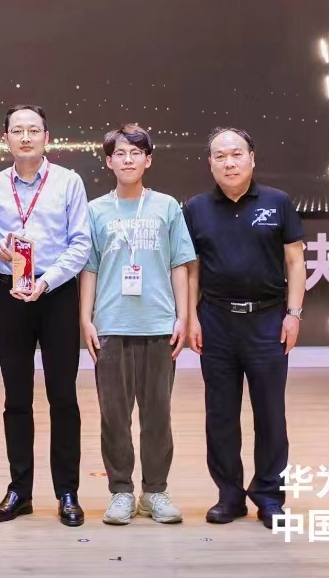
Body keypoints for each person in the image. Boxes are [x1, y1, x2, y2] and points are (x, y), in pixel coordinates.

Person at [0, 104, 92, 527]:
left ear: (47, 137)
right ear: (5, 137)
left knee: (63, 396)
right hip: (10, 294)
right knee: (16, 398)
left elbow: (81, 244)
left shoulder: (68, 182)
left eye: (33, 130)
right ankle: (19, 490)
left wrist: (48, 281)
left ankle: (67, 492)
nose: (25, 137)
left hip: (56, 294)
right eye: (17, 130)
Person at [184, 127, 306, 529]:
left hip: (267, 320)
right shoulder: (197, 208)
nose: (229, 163)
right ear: (210, 163)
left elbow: (295, 262)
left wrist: (293, 314)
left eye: (236, 154)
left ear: (252, 158)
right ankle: (230, 496)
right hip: (216, 320)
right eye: (220, 156)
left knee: (270, 413)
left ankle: (270, 497)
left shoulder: (277, 201)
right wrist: (192, 317)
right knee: (220, 414)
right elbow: (192, 269)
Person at [79, 124, 197, 527]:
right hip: (111, 325)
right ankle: (121, 492)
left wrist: (183, 316)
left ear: (148, 160)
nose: (127, 159)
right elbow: (90, 268)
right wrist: (86, 318)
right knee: (114, 415)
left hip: (158, 325)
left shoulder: (167, 207)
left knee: (157, 414)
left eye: (136, 153)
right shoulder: (95, 210)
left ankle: (155, 491)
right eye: (120, 153)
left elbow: (180, 264)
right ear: (108, 161)